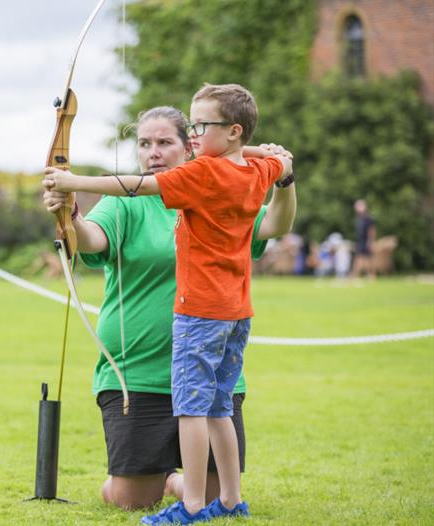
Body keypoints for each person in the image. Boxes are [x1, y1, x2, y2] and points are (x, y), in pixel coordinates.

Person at [45, 84, 294, 524]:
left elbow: (273, 222)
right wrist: (71, 212)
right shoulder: (133, 204)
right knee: (128, 498)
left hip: (204, 342)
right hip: (137, 372)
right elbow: (93, 239)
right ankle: (172, 484)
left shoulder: (214, 184)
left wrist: (73, 179)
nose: (152, 152)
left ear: (190, 145)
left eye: (166, 141)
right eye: (144, 143)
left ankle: (189, 496)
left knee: (209, 449)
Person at [350, 199, 376, 279]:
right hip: (360, 241)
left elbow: (371, 231)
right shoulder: (359, 219)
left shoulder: (368, 219)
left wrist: (370, 242)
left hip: (366, 241)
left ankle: (356, 275)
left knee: (366, 259)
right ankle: (367, 275)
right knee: (360, 258)